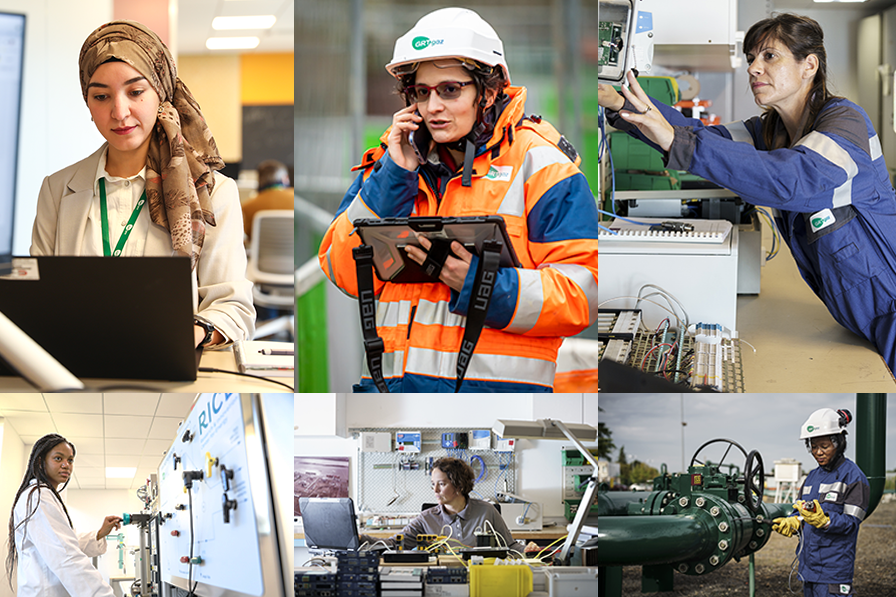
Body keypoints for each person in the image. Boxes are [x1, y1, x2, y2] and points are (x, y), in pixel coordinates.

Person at [318, 7, 599, 392]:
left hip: (494, 400)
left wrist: (483, 285)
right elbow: (343, 271)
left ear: (488, 90)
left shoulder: (543, 166)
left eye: (450, 90)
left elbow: (582, 296)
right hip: (393, 395)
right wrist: (394, 177)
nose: (432, 107)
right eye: (421, 92)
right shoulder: (390, 165)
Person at [598, 12, 896, 371]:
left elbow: (791, 179)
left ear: (809, 65)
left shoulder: (846, 122)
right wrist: (619, 103)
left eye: (769, 56)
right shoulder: (770, 131)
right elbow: (700, 136)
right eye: (751, 57)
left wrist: (678, 142)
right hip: (858, 322)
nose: (754, 68)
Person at [30, 21, 255, 349]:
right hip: (77, 364)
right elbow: (38, 297)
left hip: (168, 362)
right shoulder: (57, 189)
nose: (119, 112)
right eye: (101, 96)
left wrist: (183, 336)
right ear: (88, 104)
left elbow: (233, 307)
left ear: (161, 94)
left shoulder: (213, 192)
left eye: (136, 92)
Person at [6, 434, 123, 597]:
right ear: (40, 461)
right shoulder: (39, 497)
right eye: (58, 458)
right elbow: (66, 556)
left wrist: (99, 533)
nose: (66, 465)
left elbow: (67, 542)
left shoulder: (46, 496)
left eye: (70, 460)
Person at [771, 408, 868, 597]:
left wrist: (825, 521)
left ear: (839, 443)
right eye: (813, 447)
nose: (818, 452)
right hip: (808, 569)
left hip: (833, 572)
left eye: (824, 446)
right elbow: (801, 511)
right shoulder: (811, 478)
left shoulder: (854, 477)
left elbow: (852, 522)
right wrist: (793, 521)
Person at [359, 457, 527, 553]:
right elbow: (394, 543)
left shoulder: (487, 511)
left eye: (442, 484)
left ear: (459, 485)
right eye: (433, 484)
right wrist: (361, 539)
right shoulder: (426, 518)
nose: (435, 490)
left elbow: (510, 546)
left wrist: (528, 550)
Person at [242, 160, 294, 240]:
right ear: (285, 178)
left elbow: (249, 236)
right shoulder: (297, 200)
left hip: (262, 252)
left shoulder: (247, 206)